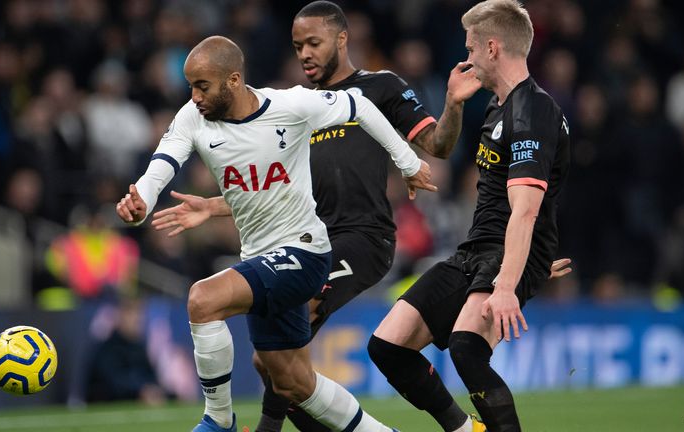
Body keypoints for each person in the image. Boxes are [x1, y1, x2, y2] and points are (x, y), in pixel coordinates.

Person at [151, 3, 571, 431]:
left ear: (342, 39)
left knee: (303, 329)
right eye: (297, 46)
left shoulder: (380, 88)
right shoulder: (296, 106)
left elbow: (439, 146)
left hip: (361, 238)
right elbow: (280, 187)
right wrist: (214, 205)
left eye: (313, 43)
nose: (305, 55)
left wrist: (450, 107)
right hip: (306, 238)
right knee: (276, 366)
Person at [116, 35, 437, 432]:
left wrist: (407, 162)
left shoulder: (291, 105)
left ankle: (218, 421)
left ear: (233, 80)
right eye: (191, 86)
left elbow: (362, 107)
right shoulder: (191, 118)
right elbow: (162, 163)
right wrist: (142, 199)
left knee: (203, 299)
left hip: (306, 253)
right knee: (294, 382)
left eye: (203, 86)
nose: (194, 96)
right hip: (259, 259)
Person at [366, 1, 570, 431]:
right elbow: (445, 149)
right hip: (477, 250)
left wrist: (514, 280)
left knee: (466, 347)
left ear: (492, 48)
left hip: (504, 254)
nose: (467, 58)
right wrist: (453, 105)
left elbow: (527, 210)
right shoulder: (497, 107)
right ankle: (466, 428)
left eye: (471, 48)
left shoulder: (532, 110)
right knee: (388, 346)